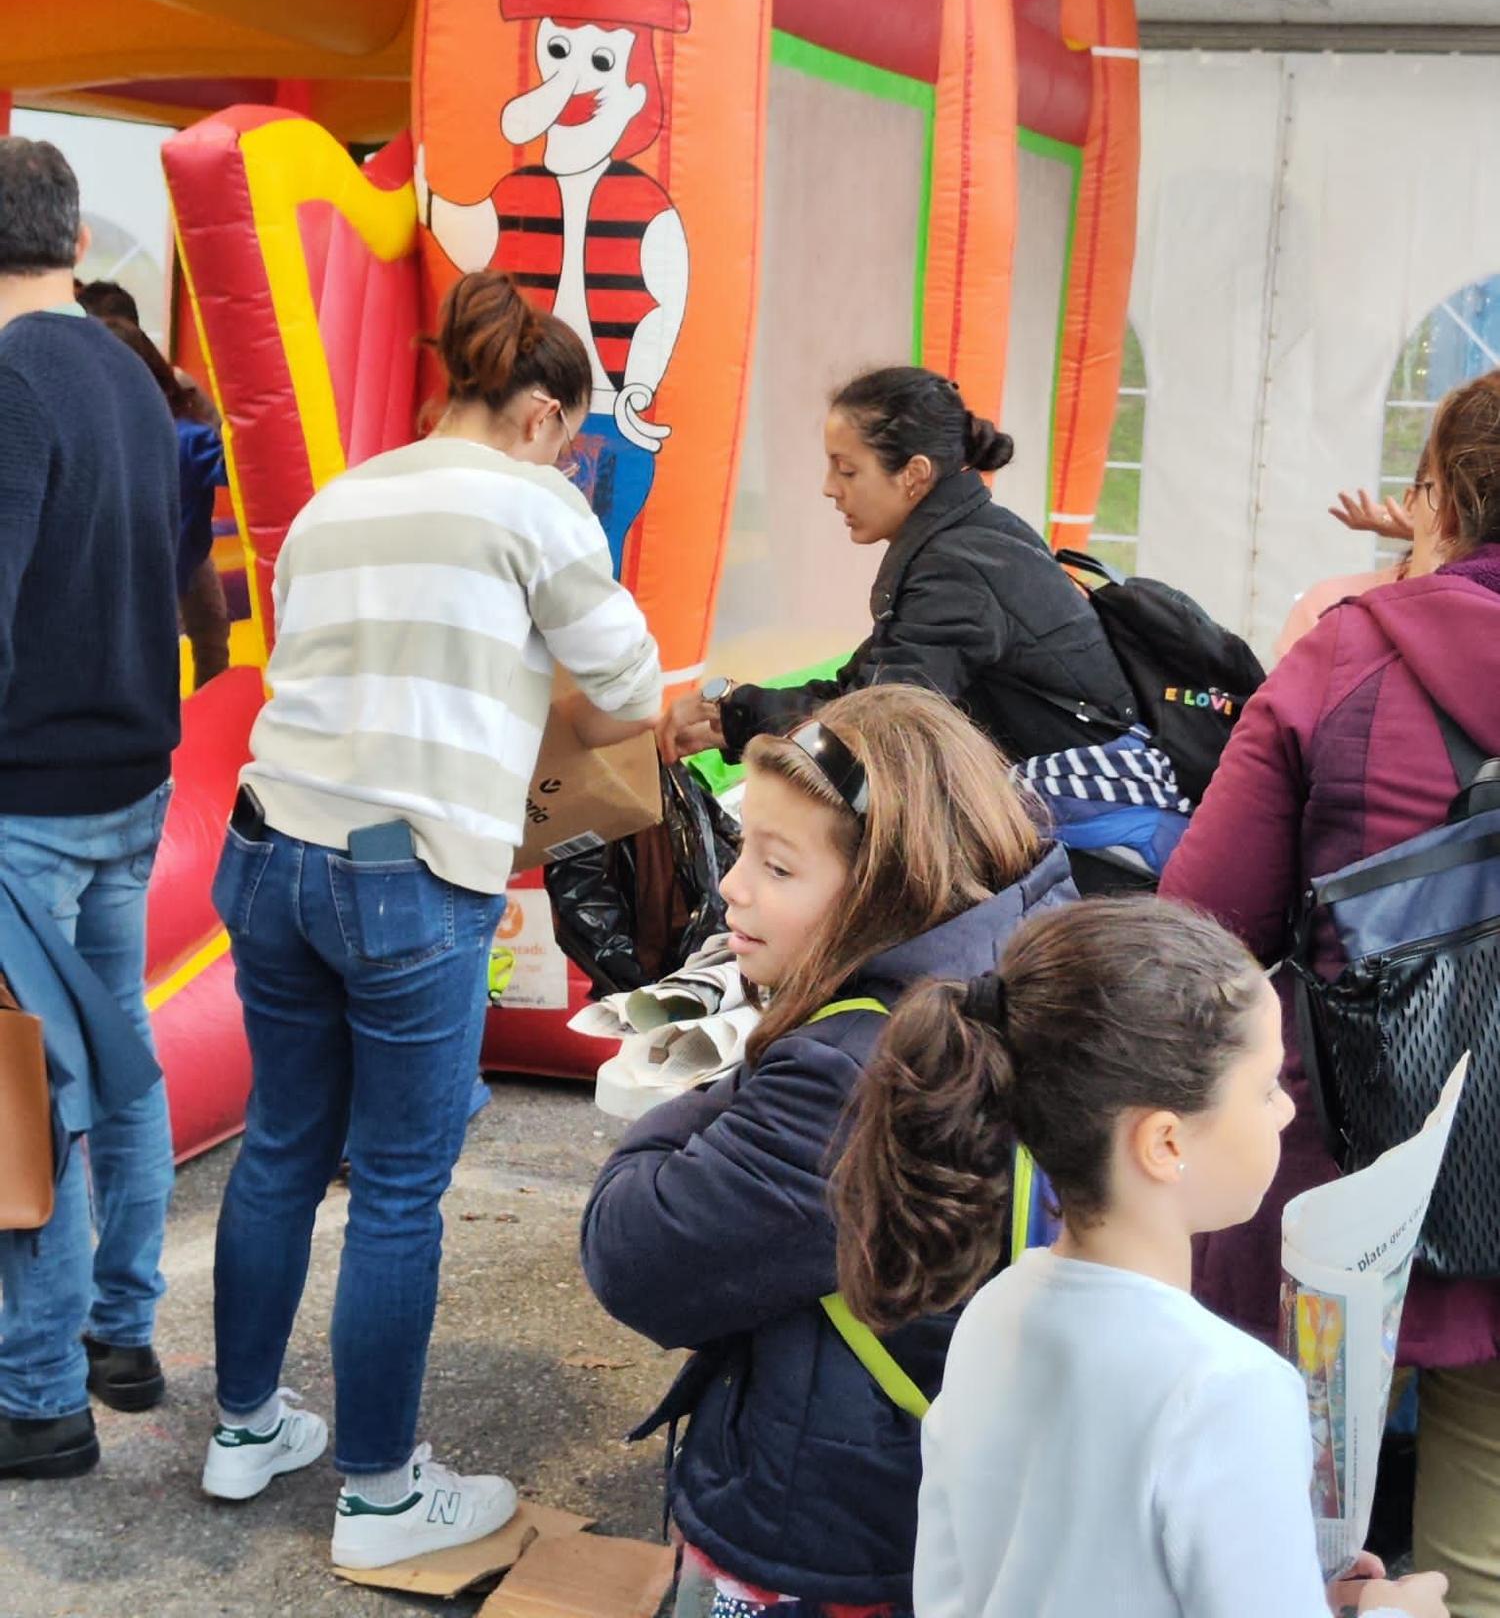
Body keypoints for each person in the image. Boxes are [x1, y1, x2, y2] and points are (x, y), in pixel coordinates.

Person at [202, 272, 662, 1567]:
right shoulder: (536, 502)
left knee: (285, 1145)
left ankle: (245, 1429)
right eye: (569, 437)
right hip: (407, 876)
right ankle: (382, 1499)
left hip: (268, 847)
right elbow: (627, 692)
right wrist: (578, 536)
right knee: (400, 1189)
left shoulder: (343, 498)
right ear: (538, 416)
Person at [581, 685, 1075, 1615]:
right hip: (947, 1490)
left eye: (778, 867)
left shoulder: (850, 1072)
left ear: (888, 890)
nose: (732, 888)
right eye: (740, 848)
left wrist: (726, 1079)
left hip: (823, 1523)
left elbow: (633, 1250)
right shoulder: (1025, 963)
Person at [832, 896, 1449, 1618]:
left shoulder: (995, 1312)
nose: (1285, 1111)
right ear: (1165, 1143)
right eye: (1265, 1088)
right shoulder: (1228, 1391)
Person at [1161, 369, 1500, 1615]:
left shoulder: (1349, 655)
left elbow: (1200, 929)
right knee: (1482, 1560)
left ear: (1445, 496)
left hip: (1343, 1180)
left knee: (1285, 1534)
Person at [0, 138, 181, 1480]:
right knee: (120, 1066)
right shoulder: (126, 370)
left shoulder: (9, 382)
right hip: (131, 783)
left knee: (28, 1096)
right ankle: (122, 1335)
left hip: (29, 804)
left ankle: (39, 1395)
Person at [659, 365, 1135, 768]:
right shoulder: (970, 535)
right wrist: (735, 717)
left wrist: (740, 712)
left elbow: (876, 728)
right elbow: (859, 689)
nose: (829, 487)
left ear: (914, 475)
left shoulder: (957, 571)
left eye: (847, 470)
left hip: (1074, 809)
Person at [93, 313, 231, 688]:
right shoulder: (105, 433)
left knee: (209, 630)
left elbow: (233, 467)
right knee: (157, 650)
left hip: (181, 556)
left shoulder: (184, 438)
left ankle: (207, 701)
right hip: (147, 571)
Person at [1274, 467, 1443, 659]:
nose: (1462, 518)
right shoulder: (1327, 603)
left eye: (1481, 503)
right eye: (1446, 497)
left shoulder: (1478, 621)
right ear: (1411, 502)